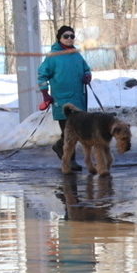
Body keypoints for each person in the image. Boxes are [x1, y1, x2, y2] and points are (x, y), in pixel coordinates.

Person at [37, 25, 91, 171]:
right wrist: (45, 93)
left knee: (78, 130)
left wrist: (87, 75)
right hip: (62, 101)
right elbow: (42, 75)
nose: (69, 39)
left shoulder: (76, 54)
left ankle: (59, 146)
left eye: (72, 36)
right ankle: (70, 160)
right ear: (59, 38)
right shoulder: (52, 56)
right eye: (66, 36)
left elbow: (86, 68)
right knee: (69, 132)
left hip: (78, 99)